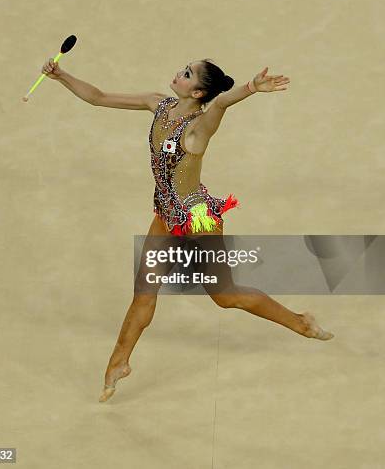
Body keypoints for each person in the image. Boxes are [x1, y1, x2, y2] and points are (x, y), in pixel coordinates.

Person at [41, 57, 334, 403]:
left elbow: (222, 103)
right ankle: (119, 363)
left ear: (197, 91)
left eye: (187, 74)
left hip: (198, 222)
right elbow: (99, 97)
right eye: (184, 68)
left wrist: (252, 88)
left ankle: (301, 322)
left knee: (227, 297)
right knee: (143, 294)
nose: (178, 73)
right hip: (165, 216)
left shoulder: (198, 128)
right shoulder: (157, 105)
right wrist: (60, 76)